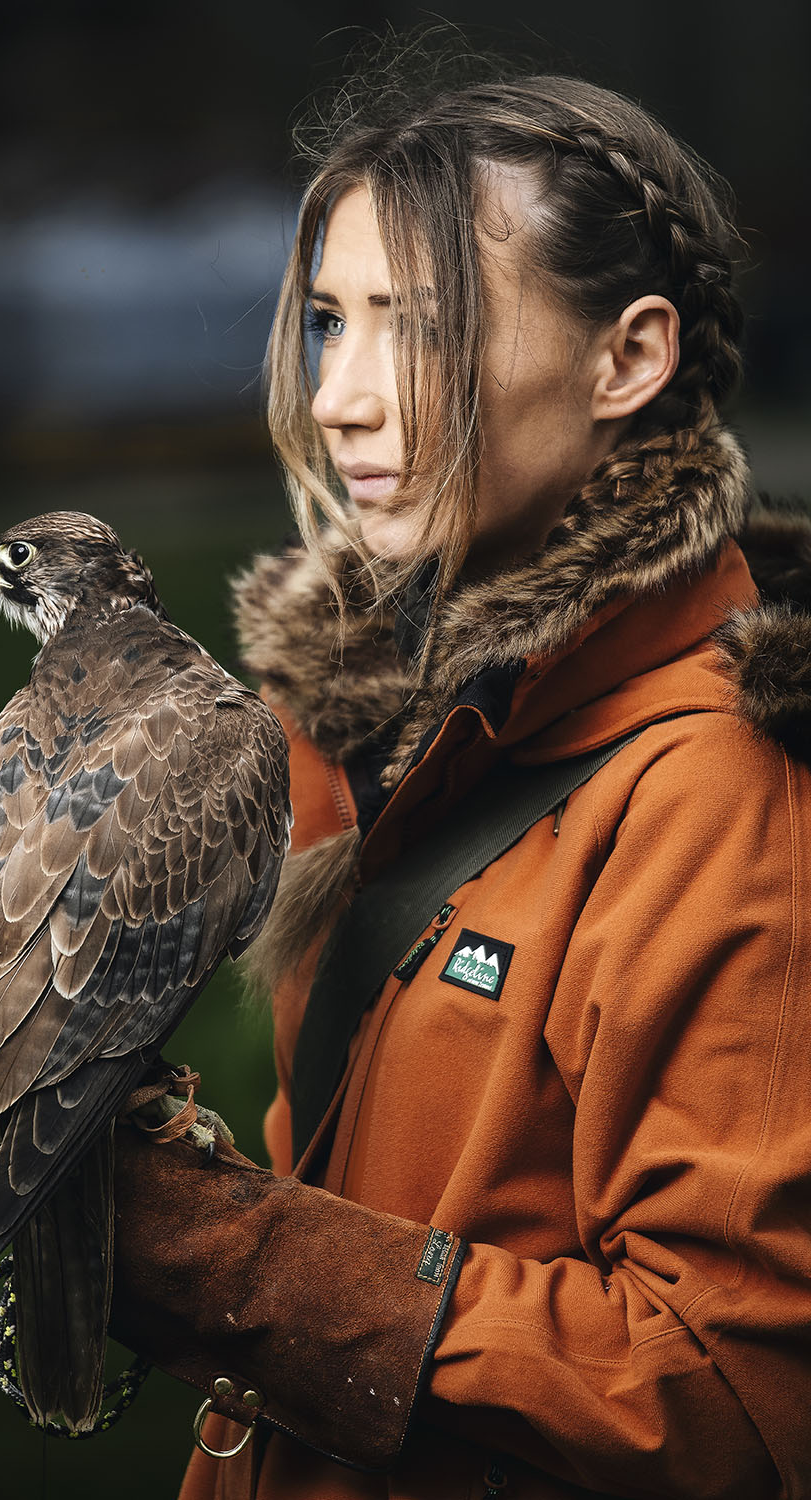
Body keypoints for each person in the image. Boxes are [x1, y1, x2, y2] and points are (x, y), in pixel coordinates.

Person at [109, 60, 811, 1500]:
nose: (344, 401)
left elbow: (732, 1405)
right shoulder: (391, 724)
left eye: (419, 331)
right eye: (326, 324)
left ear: (629, 359)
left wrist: (222, 1255)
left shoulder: (723, 796)